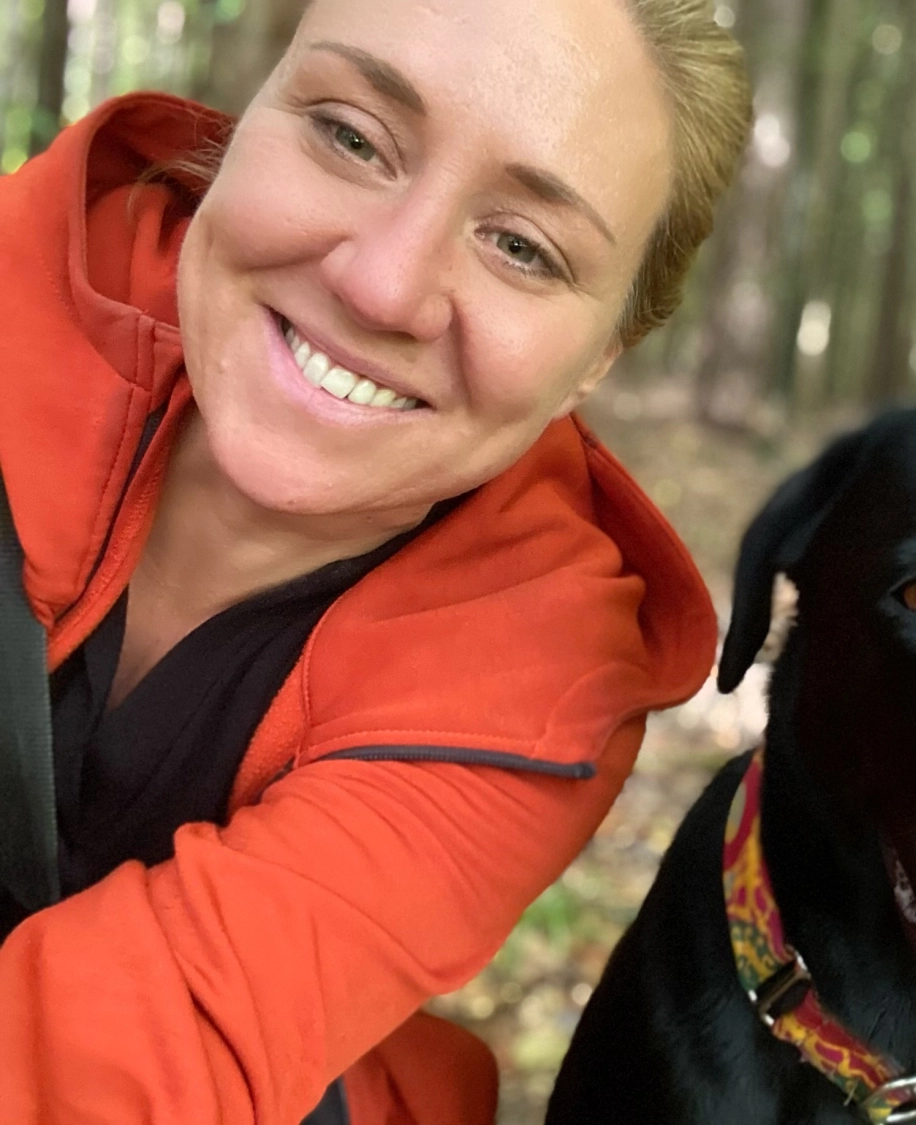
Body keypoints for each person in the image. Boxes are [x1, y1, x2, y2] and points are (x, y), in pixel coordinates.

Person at [0, 0, 750, 1122]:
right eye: (351, 136)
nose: (382, 286)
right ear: (248, 115)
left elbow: (127, 1063)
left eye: (523, 248)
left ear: (602, 356)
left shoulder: (541, 682)